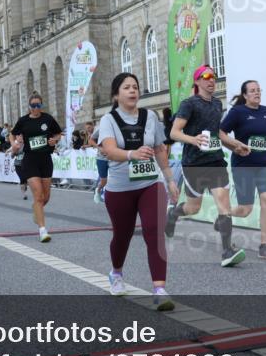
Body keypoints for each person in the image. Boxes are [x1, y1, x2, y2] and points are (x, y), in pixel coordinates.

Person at [98, 73, 180, 310]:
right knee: (122, 236)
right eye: (127, 87)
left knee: (155, 232)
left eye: (135, 87)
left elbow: (159, 148)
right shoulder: (108, 120)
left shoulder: (150, 116)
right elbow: (110, 150)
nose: (133, 91)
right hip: (119, 188)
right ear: (116, 94)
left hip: (149, 184)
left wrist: (170, 180)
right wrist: (132, 154)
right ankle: (116, 273)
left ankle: (159, 289)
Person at [166, 65, 251, 267]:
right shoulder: (189, 104)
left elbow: (218, 134)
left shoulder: (216, 103)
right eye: (206, 77)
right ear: (197, 81)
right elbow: (174, 133)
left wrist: (236, 145)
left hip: (215, 160)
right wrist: (192, 140)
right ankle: (173, 214)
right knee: (193, 207)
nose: (211, 80)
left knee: (224, 203)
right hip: (194, 163)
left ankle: (227, 251)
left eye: (213, 76)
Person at [219, 79, 266, 260]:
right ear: (245, 95)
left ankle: (264, 246)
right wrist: (235, 144)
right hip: (244, 164)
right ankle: (224, 216)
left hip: (265, 162)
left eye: (258, 90)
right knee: (246, 209)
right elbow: (221, 132)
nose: (257, 93)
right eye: (253, 91)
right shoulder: (238, 112)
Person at [10, 92, 63, 243]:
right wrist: (14, 143)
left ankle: (37, 211)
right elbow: (12, 134)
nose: (35, 108)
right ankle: (42, 230)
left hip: (46, 159)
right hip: (30, 160)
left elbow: (58, 134)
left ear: (41, 105)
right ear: (29, 106)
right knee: (38, 196)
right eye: (33, 105)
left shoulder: (47, 119)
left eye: (38, 105)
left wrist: (54, 140)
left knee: (45, 198)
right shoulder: (23, 121)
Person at [86, 121, 108, 204]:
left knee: (114, 178)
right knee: (104, 180)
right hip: (101, 158)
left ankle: (107, 195)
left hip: (113, 158)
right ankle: (98, 190)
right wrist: (99, 148)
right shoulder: (100, 129)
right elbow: (90, 141)